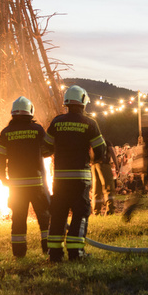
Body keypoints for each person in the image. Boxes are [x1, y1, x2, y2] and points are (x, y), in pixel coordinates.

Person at [43, 85, 106, 262]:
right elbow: (101, 149)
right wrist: (94, 160)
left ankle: (54, 253)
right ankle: (76, 252)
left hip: (61, 179)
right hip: (80, 179)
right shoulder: (90, 123)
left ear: (67, 103)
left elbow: (45, 149)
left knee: (58, 214)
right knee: (80, 213)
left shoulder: (56, 122)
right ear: (83, 102)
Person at [0, 97, 51, 258]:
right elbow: (48, 150)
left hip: (16, 186)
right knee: (45, 217)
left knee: (18, 219)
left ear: (13, 112)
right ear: (30, 111)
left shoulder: (6, 133)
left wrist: (2, 178)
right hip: (37, 184)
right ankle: (47, 249)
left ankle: (19, 253)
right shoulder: (38, 130)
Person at [91, 140, 119, 215]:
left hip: (93, 166)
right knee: (109, 187)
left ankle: (96, 211)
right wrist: (117, 165)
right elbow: (112, 153)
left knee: (96, 189)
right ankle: (110, 210)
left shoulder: (92, 142)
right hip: (104, 164)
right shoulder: (106, 142)